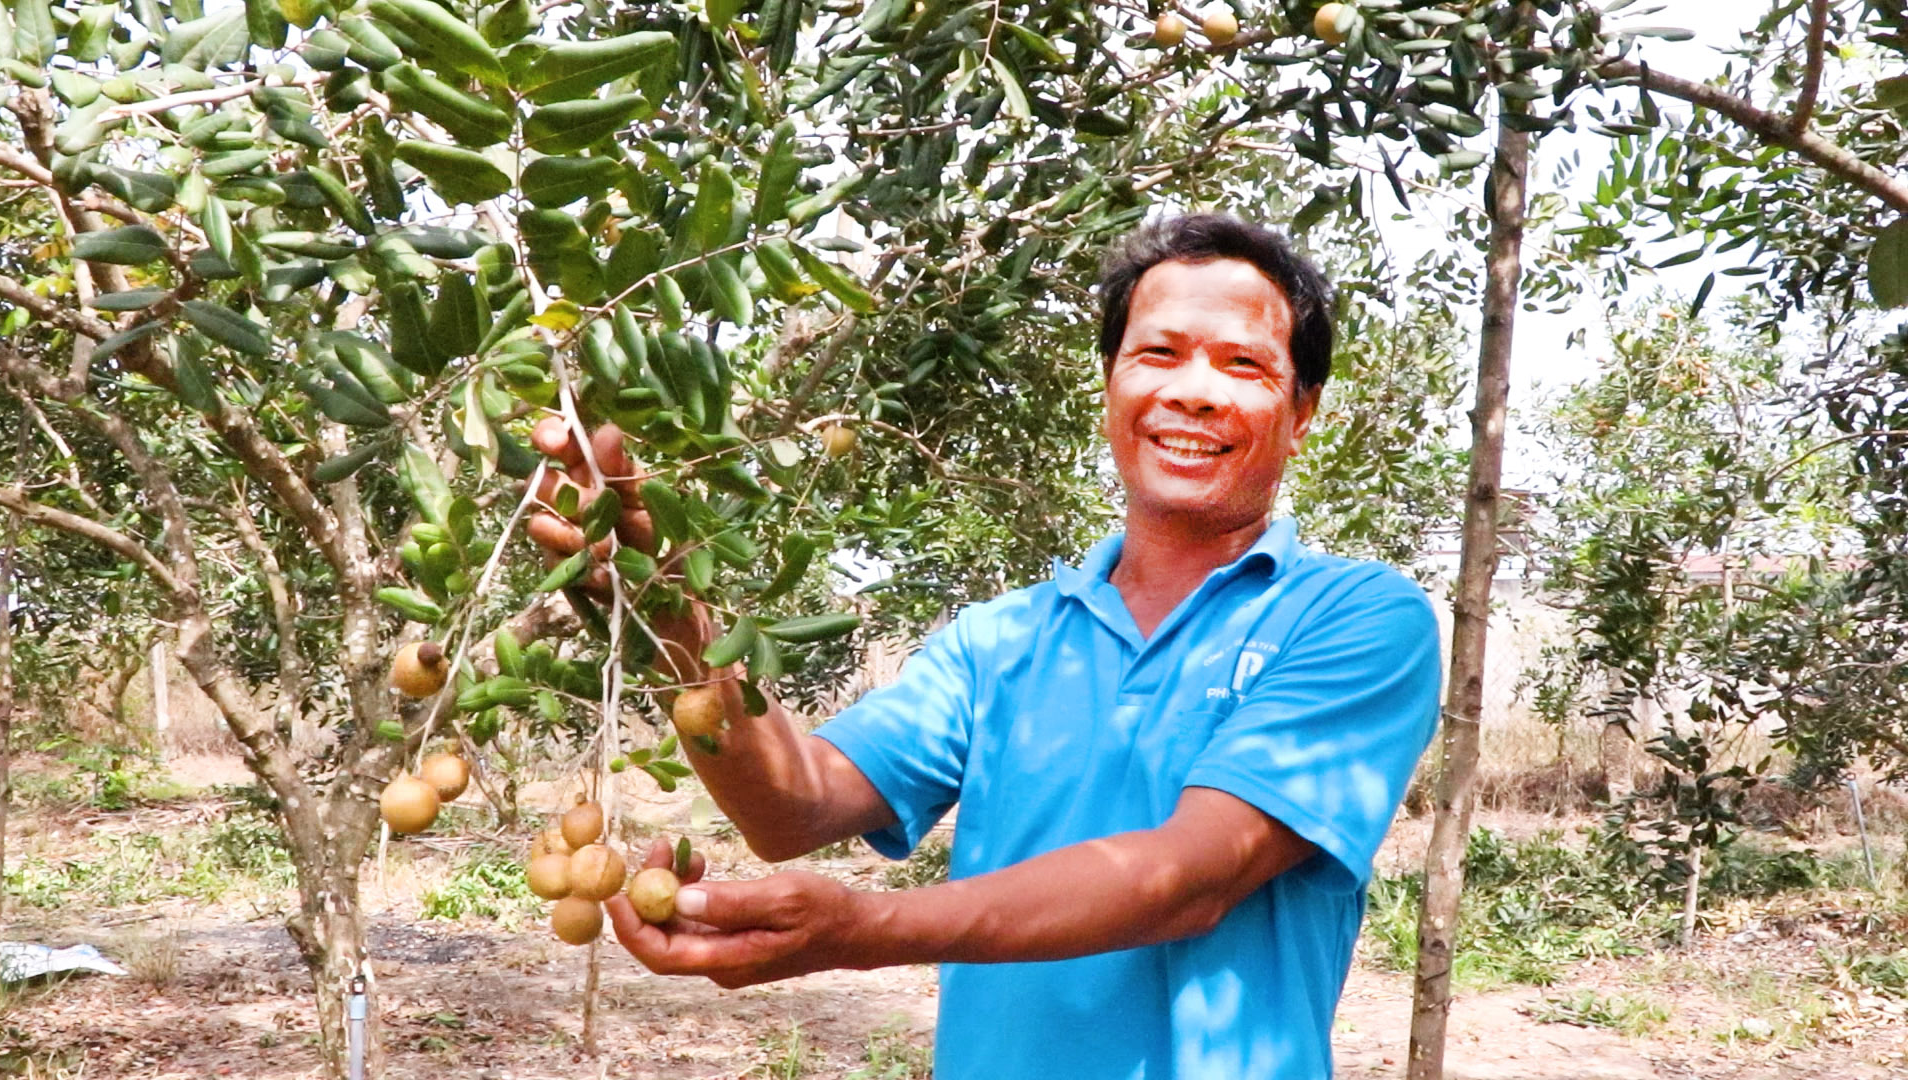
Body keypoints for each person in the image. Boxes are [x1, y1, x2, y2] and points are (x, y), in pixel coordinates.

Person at [527, 214, 1443, 1079]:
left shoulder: (1359, 619)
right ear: (1111, 387)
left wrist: (864, 928)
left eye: (1243, 364)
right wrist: (663, 605)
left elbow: (1188, 876)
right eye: (1156, 353)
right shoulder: (1000, 641)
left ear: (1301, 411)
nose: (1191, 390)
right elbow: (792, 809)